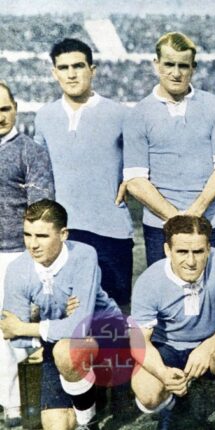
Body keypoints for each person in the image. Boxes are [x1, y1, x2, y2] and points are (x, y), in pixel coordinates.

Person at [1, 199, 124, 430]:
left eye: (42, 236)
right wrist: (57, 324)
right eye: (27, 235)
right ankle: (84, 395)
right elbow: (13, 336)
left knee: (66, 351)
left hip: (105, 333)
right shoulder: (17, 269)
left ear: (63, 234)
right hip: (56, 342)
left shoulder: (84, 255)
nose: (32, 245)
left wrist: (28, 326)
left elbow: (80, 327)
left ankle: (88, 422)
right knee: (56, 426)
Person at [34, 38, 134, 307]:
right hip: (63, 231)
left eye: (78, 66)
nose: (71, 74)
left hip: (111, 230)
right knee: (65, 312)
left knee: (112, 317)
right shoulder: (44, 116)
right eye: (63, 67)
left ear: (92, 69)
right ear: (54, 72)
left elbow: (141, 162)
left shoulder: (120, 114)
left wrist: (130, 180)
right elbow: (38, 171)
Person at [123, 32, 215, 266]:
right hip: (161, 226)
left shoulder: (214, 106)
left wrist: (195, 212)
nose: (176, 73)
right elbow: (135, 180)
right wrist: (176, 219)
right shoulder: (139, 113)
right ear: (156, 64)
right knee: (167, 289)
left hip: (211, 222)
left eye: (183, 66)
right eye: (169, 64)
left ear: (193, 68)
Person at [129, 215, 215, 430]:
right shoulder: (149, 280)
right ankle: (173, 404)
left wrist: (207, 348)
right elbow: (138, 341)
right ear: (167, 250)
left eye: (198, 251)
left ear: (208, 249)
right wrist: (163, 373)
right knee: (147, 393)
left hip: (212, 345)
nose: (191, 261)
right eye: (182, 252)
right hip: (169, 347)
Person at [0, 82, 55, 427]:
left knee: (11, 330)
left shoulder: (29, 151)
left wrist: (34, 258)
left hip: (14, 252)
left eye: (4, 109)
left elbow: (41, 209)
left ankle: (14, 404)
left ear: (15, 109)